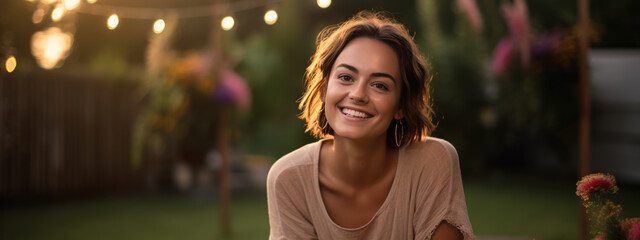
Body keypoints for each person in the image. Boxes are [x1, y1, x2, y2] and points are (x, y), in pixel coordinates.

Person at [267, 11, 475, 240]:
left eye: (379, 85)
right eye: (346, 77)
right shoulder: (289, 179)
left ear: (401, 106)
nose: (358, 95)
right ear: (324, 89)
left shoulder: (433, 163)